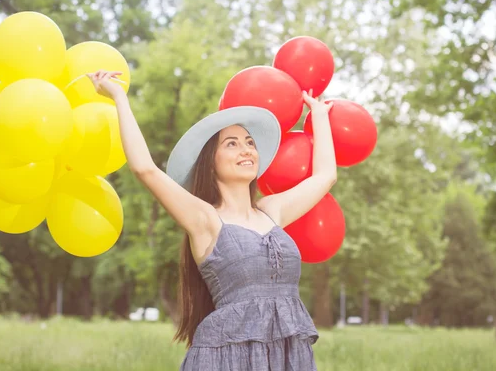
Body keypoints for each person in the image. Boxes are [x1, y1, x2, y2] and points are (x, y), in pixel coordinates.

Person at [87, 70, 337, 371]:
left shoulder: (272, 211)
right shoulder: (205, 219)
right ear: (211, 162)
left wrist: (319, 116)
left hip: (287, 357)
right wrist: (118, 98)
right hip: (226, 359)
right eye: (231, 144)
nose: (246, 149)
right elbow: (145, 169)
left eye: (249, 142)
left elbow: (325, 175)